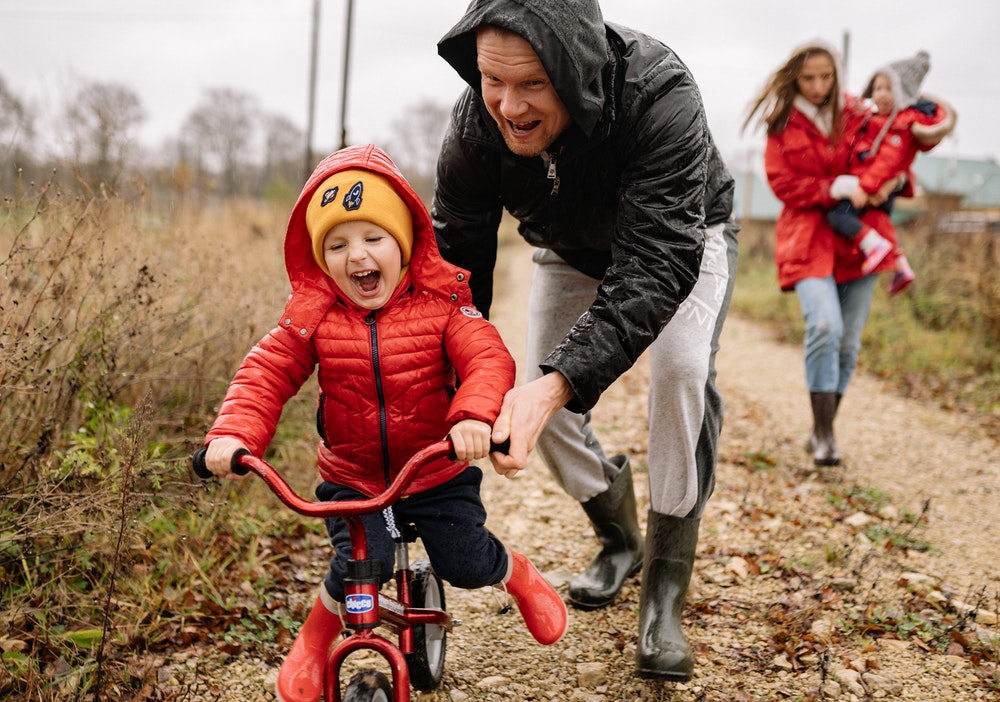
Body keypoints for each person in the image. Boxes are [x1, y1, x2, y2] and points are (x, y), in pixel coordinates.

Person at [433, 0, 739, 682]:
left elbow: (658, 262)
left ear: (574, 70)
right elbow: (455, 270)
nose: (508, 106)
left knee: (681, 371)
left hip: (683, 238)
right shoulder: (472, 128)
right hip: (569, 249)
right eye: (492, 80)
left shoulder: (660, 92)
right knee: (536, 392)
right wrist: (453, 381)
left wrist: (558, 383)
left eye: (533, 83)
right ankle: (619, 536)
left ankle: (664, 593)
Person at [201, 144, 568, 702]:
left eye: (373, 238)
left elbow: (487, 358)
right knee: (357, 566)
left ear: (403, 241)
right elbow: (267, 371)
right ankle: (313, 641)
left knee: (465, 563)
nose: (358, 256)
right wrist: (233, 434)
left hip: (434, 472)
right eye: (338, 244)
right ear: (322, 259)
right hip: (355, 478)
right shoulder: (314, 316)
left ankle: (516, 574)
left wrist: (471, 416)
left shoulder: (443, 305)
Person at [743, 40, 898, 467]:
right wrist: (831, 188)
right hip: (807, 236)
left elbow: (896, 143)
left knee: (848, 343)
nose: (817, 86)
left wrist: (893, 180)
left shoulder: (856, 112)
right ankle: (826, 435)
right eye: (808, 77)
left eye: (825, 77)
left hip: (858, 238)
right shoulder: (782, 122)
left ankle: (820, 431)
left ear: (837, 76)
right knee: (825, 326)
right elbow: (782, 183)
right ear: (795, 76)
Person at [825, 50, 956, 295]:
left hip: (870, 186)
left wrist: (866, 187)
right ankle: (901, 265)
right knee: (879, 222)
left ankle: (873, 246)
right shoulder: (875, 120)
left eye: (888, 89)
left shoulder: (899, 125)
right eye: (877, 88)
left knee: (839, 216)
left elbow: (888, 161)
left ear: (903, 94)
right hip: (871, 184)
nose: (881, 94)